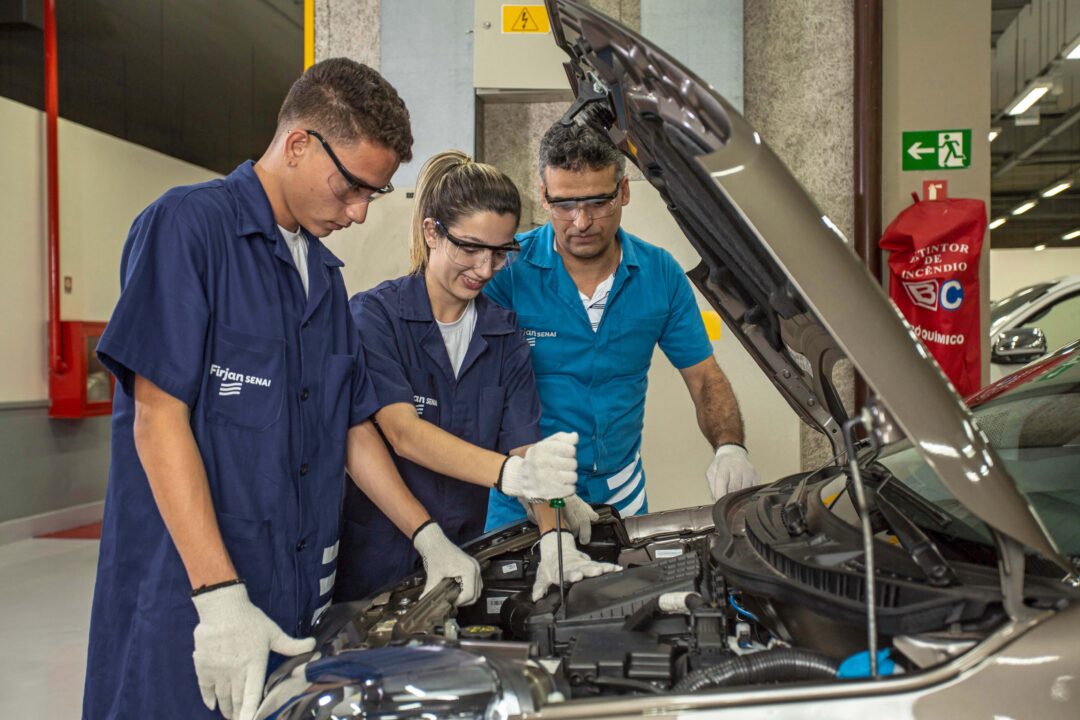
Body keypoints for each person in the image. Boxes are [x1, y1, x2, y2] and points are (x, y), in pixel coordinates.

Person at [82, 59, 478, 720]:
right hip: (190, 605)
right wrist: (216, 597)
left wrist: (427, 536)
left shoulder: (323, 278)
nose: (357, 213)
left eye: (372, 197)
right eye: (350, 187)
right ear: (298, 144)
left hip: (289, 603)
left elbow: (351, 426)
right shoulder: (188, 229)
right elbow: (156, 419)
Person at [336, 150, 620, 605]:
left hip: (462, 558)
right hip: (374, 561)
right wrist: (510, 477)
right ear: (432, 232)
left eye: (500, 253)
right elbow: (403, 434)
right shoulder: (375, 317)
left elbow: (527, 449)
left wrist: (554, 536)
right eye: (469, 248)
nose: (485, 269)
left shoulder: (504, 334)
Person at [484, 120, 759, 535]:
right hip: (524, 495)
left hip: (620, 494)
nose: (580, 222)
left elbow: (703, 376)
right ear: (543, 195)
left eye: (598, 202)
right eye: (564, 204)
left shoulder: (660, 274)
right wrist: (542, 490)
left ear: (624, 191)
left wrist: (729, 447)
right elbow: (484, 391)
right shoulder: (507, 270)